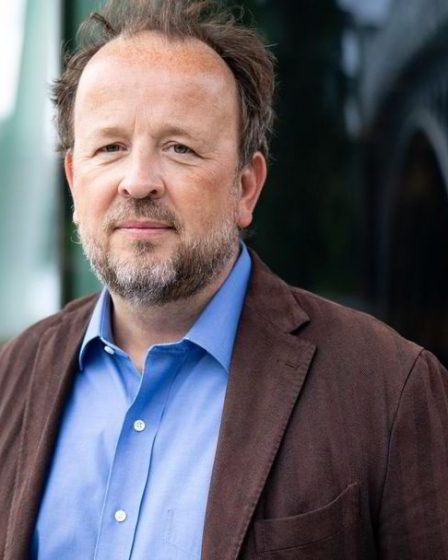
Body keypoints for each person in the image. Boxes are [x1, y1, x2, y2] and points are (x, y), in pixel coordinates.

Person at [1, 0, 447, 558]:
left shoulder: (388, 389)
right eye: (110, 147)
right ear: (74, 180)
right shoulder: (14, 377)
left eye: (179, 148)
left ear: (246, 187)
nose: (138, 181)